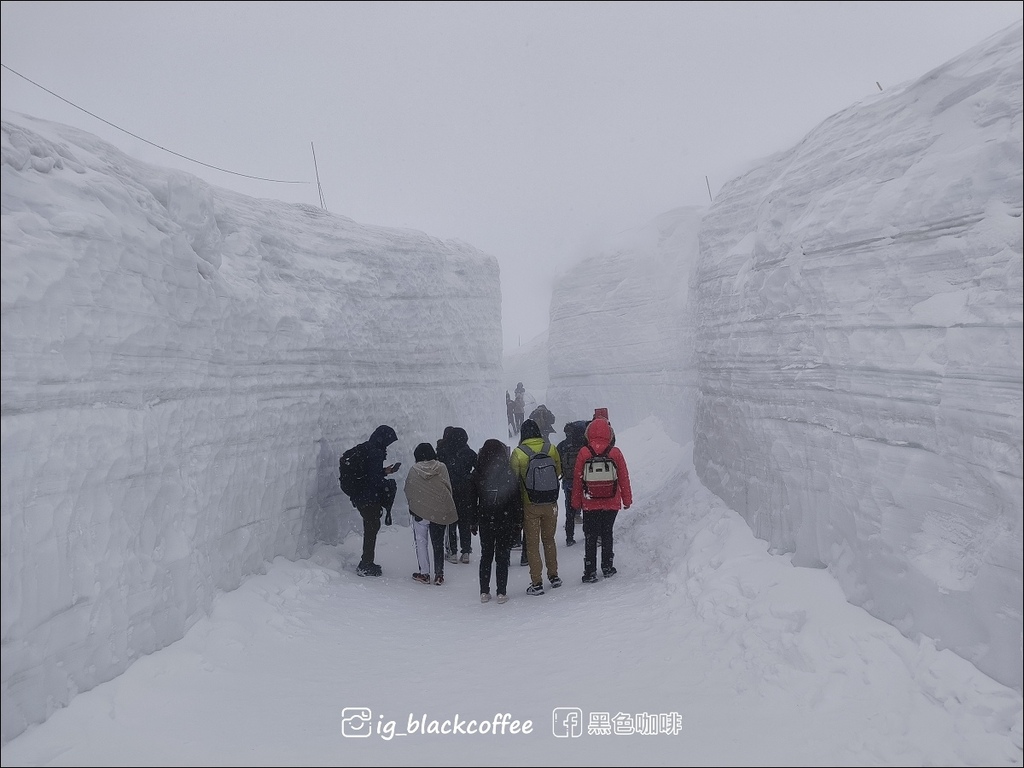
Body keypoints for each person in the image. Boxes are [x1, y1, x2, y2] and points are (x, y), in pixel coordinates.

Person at [571, 416, 632, 583]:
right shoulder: (615, 452)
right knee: (607, 534)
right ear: (609, 433)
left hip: (590, 502)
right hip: (611, 501)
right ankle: (607, 567)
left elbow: (577, 479)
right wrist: (626, 500)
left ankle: (590, 571)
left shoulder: (584, 452)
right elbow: (623, 478)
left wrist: (576, 503)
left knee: (590, 536)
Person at [510, 418, 562, 595]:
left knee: (532, 544)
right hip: (551, 502)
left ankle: (537, 582)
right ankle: (554, 576)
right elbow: (558, 471)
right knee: (549, 539)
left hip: (530, 503)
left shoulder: (518, 453)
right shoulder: (551, 448)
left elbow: (513, 480)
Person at [342, 425, 400, 577]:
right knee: (371, 527)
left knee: (371, 526)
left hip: (361, 494)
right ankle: (366, 564)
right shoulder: (375, 452)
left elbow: (369, 474)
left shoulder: (367, 448)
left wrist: (384, 472)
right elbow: (373, 479)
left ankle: (367, 561)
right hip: (368, 497)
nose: (388, 444)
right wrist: (387, 484)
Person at [470, 438, 522, 604]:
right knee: (502, 555)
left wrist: (473, 520)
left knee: (486, 555)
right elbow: (515, 498)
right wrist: (517, 520)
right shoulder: (507, 471)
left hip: (485, 517)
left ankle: (484, 591)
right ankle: (501, 592)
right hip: (504, 518)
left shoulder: (478, 472)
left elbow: (472, 499)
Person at [403, 442, 459, 586]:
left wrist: (415, 505)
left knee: (421, 542)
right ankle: (439, 575)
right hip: (439, 511)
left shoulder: (414, 470)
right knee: (438, 543)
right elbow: (447, 488)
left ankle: (424, 573)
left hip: (420, 512)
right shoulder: (442, 467)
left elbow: (408, 489)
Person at [437, 426, 477, 564]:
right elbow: (478, 468)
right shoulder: (469, 452)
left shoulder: (443, 452)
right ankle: (465, 552)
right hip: (466, 491)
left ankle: (452, 552)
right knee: (464, 521)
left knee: (451, 521)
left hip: (449, 490)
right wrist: (469, 477)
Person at [556, 420, 589, 547]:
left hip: (569, 483)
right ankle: (587, 533)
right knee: (586, 508)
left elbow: (558, 463)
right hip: (583, 481)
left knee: (569, 510)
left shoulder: (562, 445)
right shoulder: (584, 445)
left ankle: (569, 537)